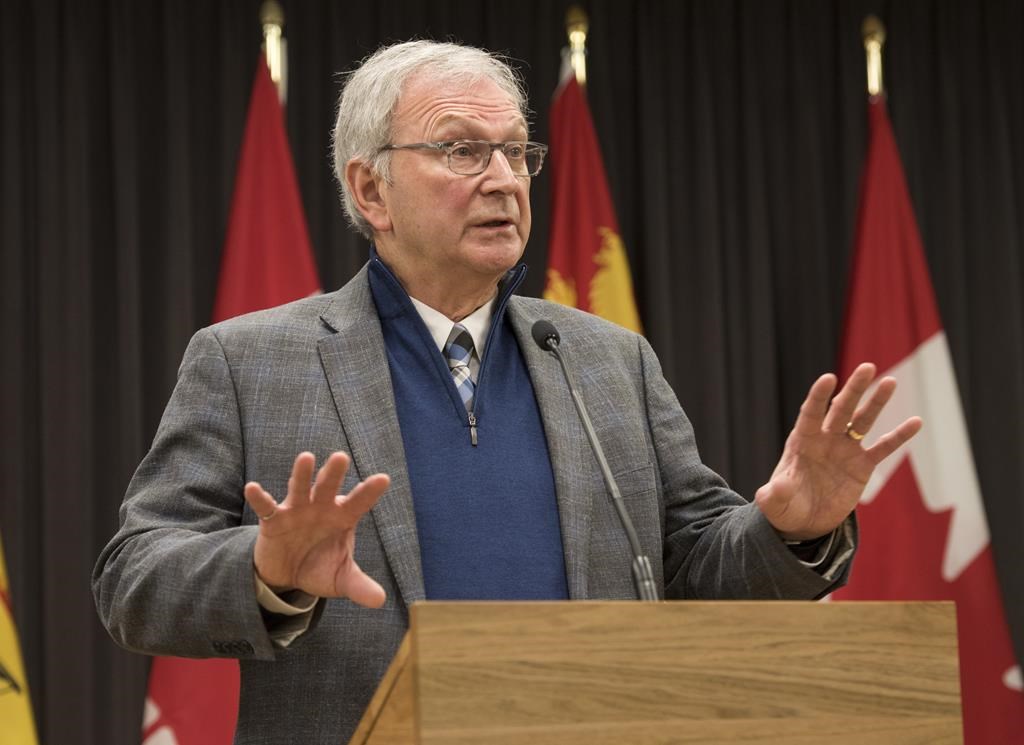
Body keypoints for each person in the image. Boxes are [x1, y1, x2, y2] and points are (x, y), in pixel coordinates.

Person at [93, 40, 922, 744]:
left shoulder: (609, 361)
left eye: (517, 151)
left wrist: (790, 528)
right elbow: (133, 578)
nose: (503, 179)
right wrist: (267, 568)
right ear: (371, 190)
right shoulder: (249, 362)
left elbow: (694, 565)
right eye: (461, 150)